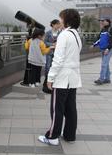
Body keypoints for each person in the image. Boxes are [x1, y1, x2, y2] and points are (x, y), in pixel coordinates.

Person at [38, 9, 82, 145]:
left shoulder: (64, 35)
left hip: (63, 78)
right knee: (70, 108)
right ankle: (69, 135)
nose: (60, 21)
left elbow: (58, 59)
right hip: (73, 78)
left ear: (66, 20)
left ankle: (52, 137)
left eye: (61, 18)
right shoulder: (76, 35)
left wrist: (50, 78)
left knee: (57, 108)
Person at [91, 18, 112, 85]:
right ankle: (107, 79)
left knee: (104, 64)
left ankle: (101, 79)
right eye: (102, 21)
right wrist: (94, 45)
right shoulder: (103, 29)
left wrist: (108, 49)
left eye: (104, 21)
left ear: (108, 22)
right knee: (106, 64)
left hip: (109, 49)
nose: (102, 22)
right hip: (103, 48)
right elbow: (99, 39)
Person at [43, 19, 61, 94]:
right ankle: (47, 83)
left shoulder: (60, 33)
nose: (58, 25)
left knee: (55, 67)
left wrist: (58, 45)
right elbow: (45, 42)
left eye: (59, 24)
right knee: (48, 67)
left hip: (57, 53)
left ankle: (54, 84)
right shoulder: (48, 33)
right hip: (49, 52)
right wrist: (52, 45)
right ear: (53, 25)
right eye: (57, 24)